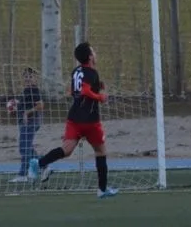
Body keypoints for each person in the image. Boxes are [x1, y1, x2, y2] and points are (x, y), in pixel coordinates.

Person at [29, 42, 119, 199]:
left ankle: (39, 163)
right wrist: (100, 97)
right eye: (93, 51)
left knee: (66, 150)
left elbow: (72, 91)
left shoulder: (76, 71)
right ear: (90, 57)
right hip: (90, 120)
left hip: (74, 119)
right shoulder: (92, 72)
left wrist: (97, 86)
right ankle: (102, 190)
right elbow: (85, 90)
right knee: (100, 151)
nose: (95, 54)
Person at [10, 68, 44, 183]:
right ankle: (45, 166)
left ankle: (23, 174)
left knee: (24, 147)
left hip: (31, 121)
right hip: (25, 122)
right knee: (28, 148)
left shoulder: (34, 90)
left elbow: (40, 106)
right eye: (26, 77)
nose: (28, 79)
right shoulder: (26, 90)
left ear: (35, 79)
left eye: (30, 77)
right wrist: (15, 109)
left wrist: (26, 113)